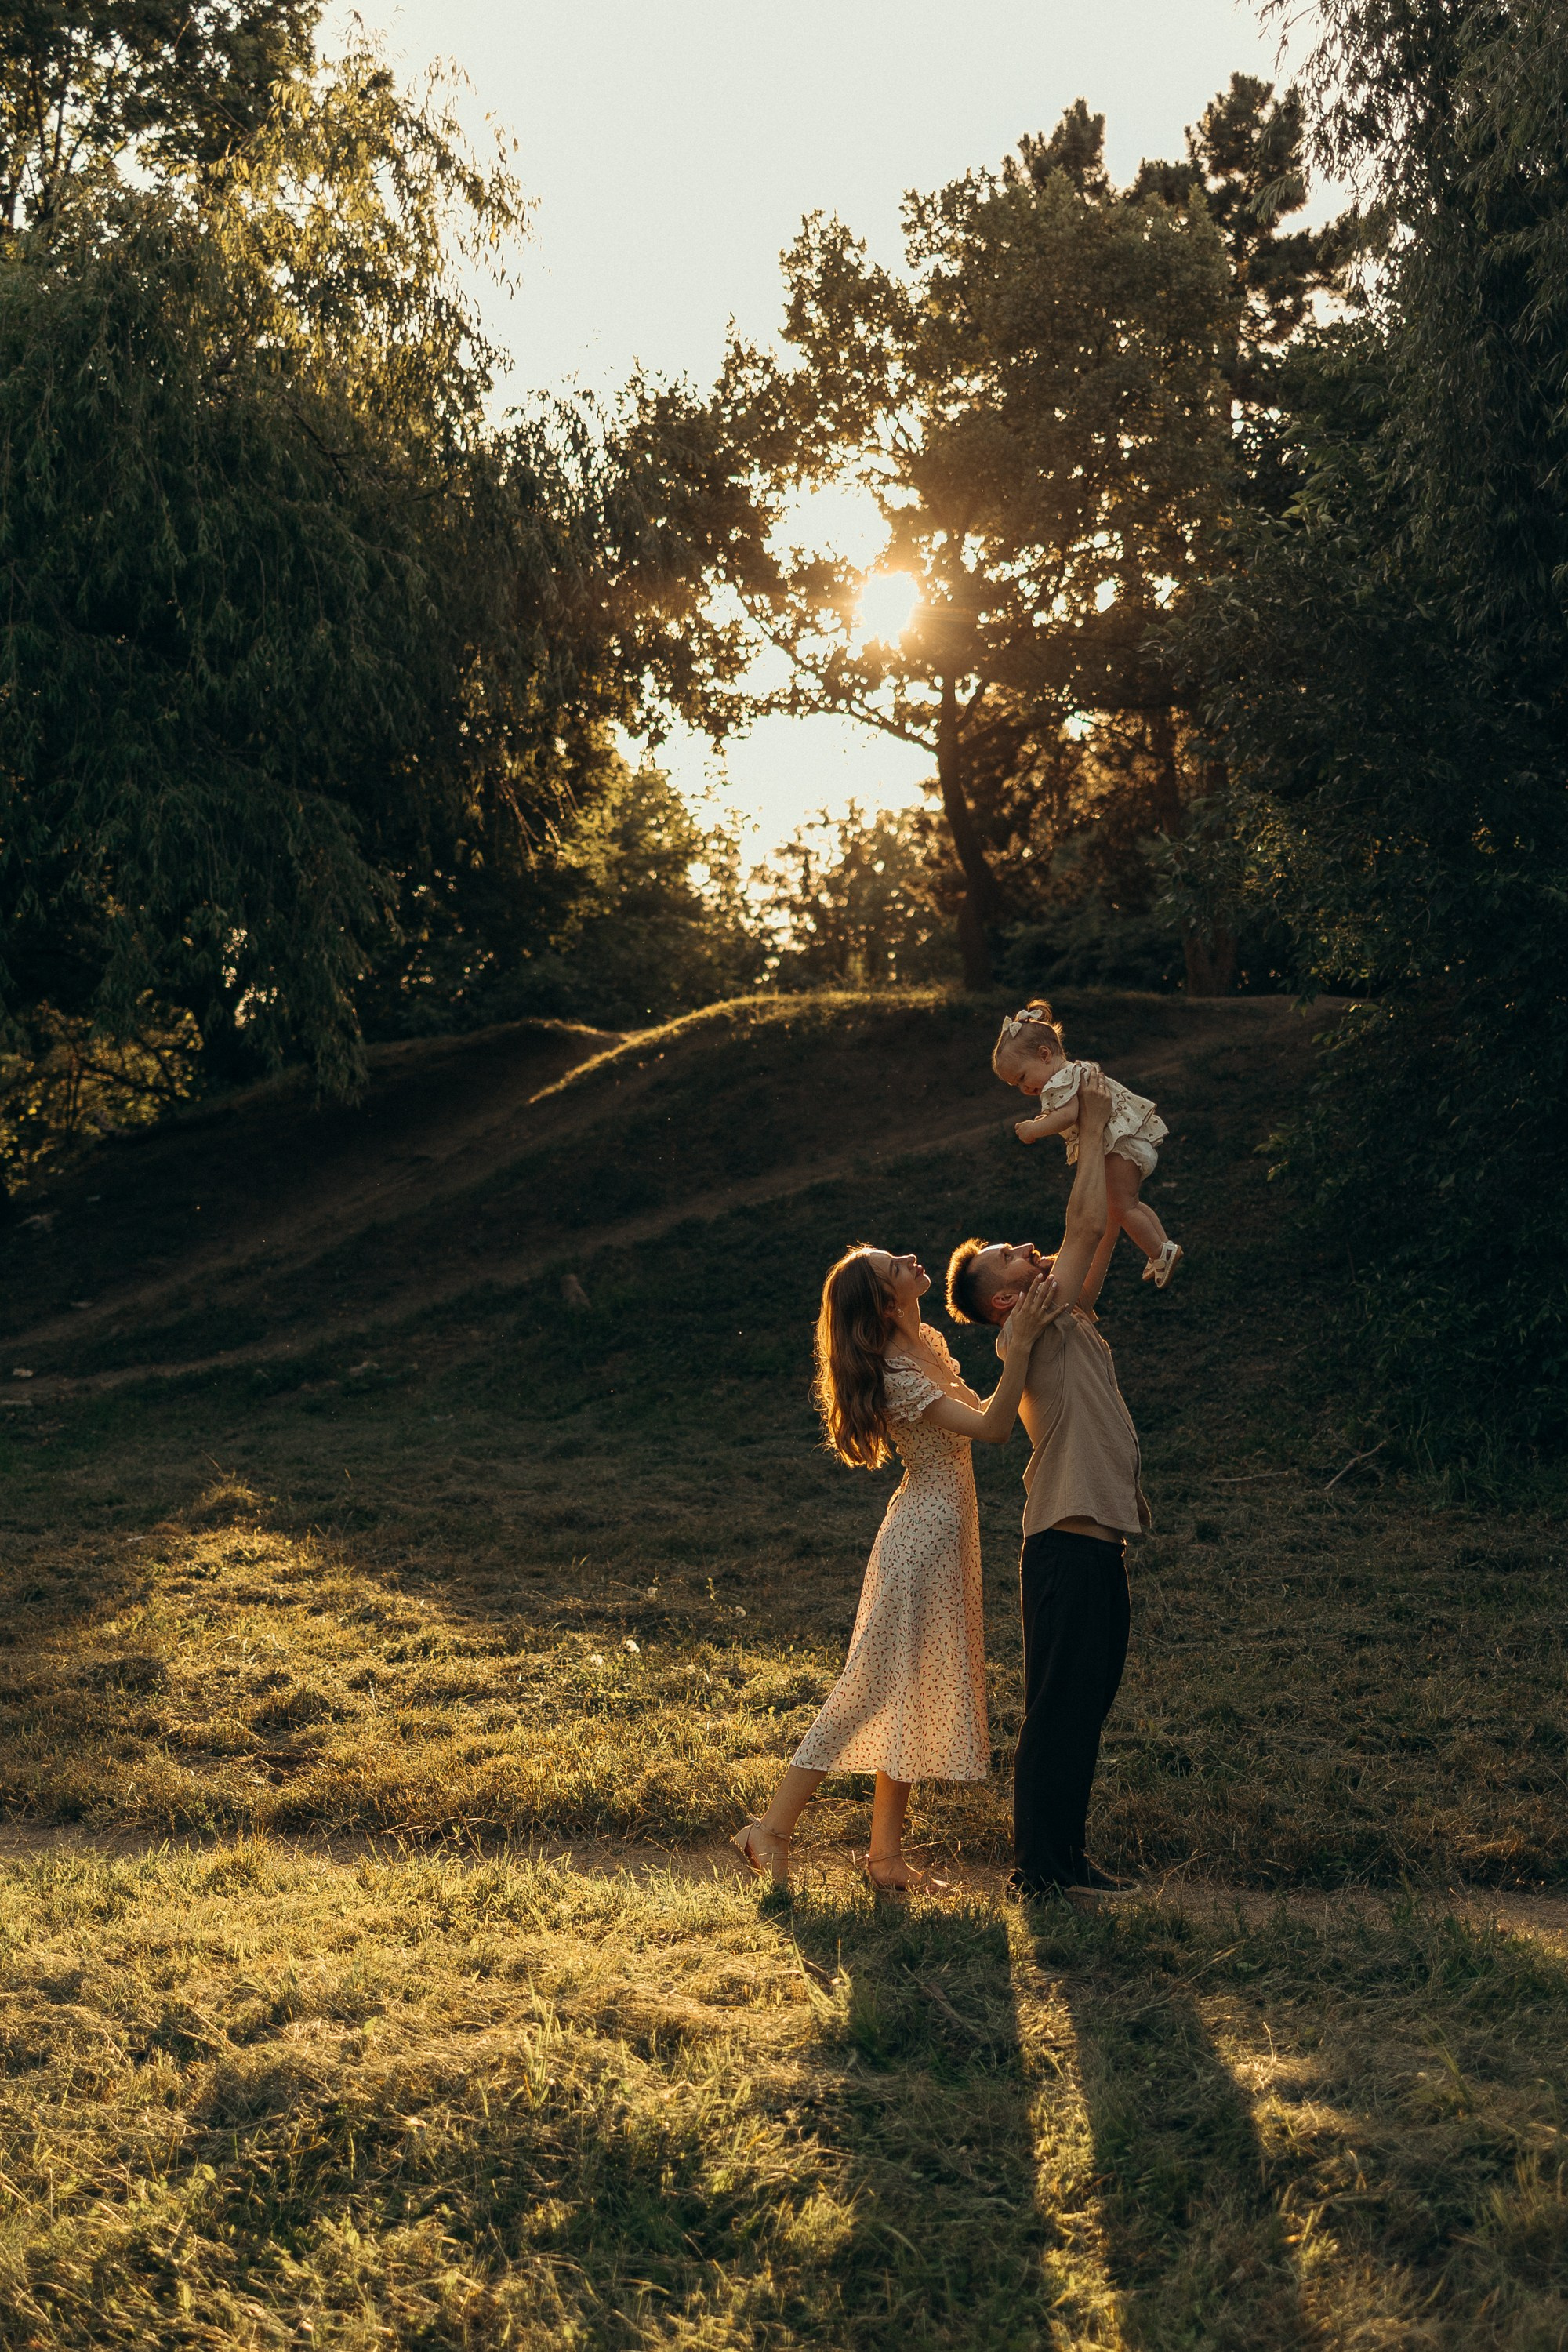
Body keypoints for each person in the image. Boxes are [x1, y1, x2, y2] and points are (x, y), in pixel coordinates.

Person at [731, 1243, 1057, 1894]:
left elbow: (982, 1412)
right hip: (919, 1541)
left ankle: (884, 1859)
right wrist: (1018, 1341)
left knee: (908, 1692)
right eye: (894, 1267)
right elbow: (993, 1428)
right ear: (885, 1300)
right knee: (868, 1689)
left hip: (944, 1536)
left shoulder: (928, 1342)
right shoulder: (895, 1373)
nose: (910, 1259)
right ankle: (768, 1829)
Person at [946, 1067, 1149, 1901]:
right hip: (1061, 1544)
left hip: (1095, 1542)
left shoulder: (1067, 1313)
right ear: (1002, 1299)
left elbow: (1094, 1233)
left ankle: (1063, 1858)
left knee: (1080, 1710)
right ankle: (1036, 1870)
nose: (1030, 1250)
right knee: (1057, 1710)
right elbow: (1077, 1222)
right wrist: (1092, 1124)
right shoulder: (1025, 1329)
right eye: (1012, 1257)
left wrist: (1105, 1159)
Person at [991, 997, 1181, 1290]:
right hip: (1125, 1141)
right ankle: (1164, 1247)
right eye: (1016, 1086)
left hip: (1116, 1144)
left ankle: (1158, 1252)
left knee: (1121, 1208)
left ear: (1044, 1055)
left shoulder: (1059, 1082)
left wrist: (1034, 1129)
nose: (1024, 1089)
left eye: (1022, 1078)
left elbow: (1067, 1116)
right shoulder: (1074, 1072)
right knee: (1129, 1204)